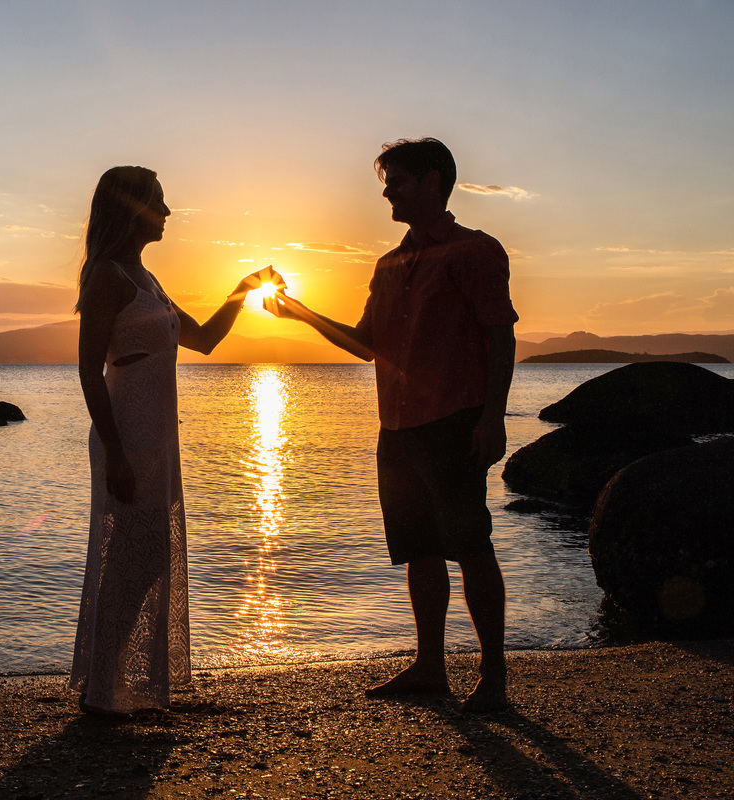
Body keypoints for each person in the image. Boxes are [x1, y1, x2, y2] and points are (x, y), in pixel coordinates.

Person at [265, 138, 518, 712]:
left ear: (432, 182)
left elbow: (500, 334)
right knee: (418, 550)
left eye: (396, 181)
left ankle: (494, 676)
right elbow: (365, 345)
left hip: (454, 420)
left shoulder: (474, 251)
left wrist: (493, 417)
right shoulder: (390, 264)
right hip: (397, 427)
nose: (387, 192)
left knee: (470, 544)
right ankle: (430, 668)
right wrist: (297, 310)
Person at [70, 165, 283, 714]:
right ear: (132, 209)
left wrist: (242, 291)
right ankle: (103, 690)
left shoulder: (147, 279)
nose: (168, 212)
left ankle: (113, 684)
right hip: (127, 435)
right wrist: (115, 451)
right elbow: (90, 372)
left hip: (158, 436)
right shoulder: (107, 277)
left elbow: (207, 340)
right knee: (133, 557)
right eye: (159, 202)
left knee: (148, 555)